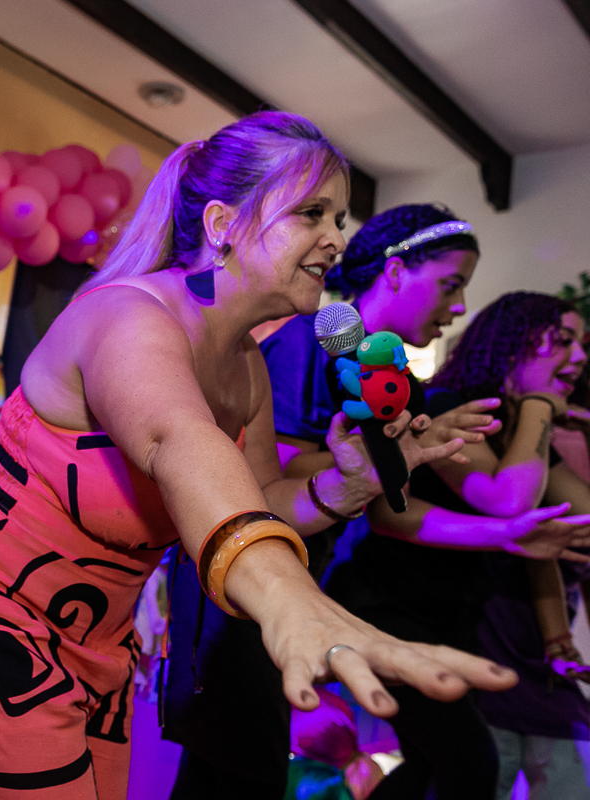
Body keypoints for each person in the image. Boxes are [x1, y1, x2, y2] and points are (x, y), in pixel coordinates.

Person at [0, 111, 517, 800]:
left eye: (339, 218)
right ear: (222, 223)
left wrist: (348, 487)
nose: (336, 240)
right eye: (312, 213)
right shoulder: (131, 317)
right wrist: (289, 596)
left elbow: (261, 498)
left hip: (93, 629)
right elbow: (176, 440)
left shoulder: (247, 366)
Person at [162, 203, 564, 798]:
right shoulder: (308, 342)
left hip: (305, 578)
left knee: (252, 772)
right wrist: (399, 450)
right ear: (397, 271)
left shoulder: (397, 375)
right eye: (451, 285)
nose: (457, 309)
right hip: (247, 573)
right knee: (233, 768)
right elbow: (278, 475)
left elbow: (389, 504)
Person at [416, 292, 590, 799]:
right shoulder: (446, 406)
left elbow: (579, 518)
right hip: (452, 639)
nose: (578, 357)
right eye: (561, 341)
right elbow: (509, 501)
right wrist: (538, 404)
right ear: (512, 345)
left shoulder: (525, 431)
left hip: (520, 648)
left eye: (580, 345)